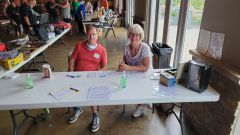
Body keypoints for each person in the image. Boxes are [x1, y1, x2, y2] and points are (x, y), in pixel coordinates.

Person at [68, 25, 107, 132]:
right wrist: (71, 73)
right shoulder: (79, 45)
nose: (91, 36)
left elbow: (104, 67)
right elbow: (72, 58)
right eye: (89, 34)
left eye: (94, 34)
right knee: (71, 90)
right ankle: (77, 109)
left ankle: (95, 115)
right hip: (77, 75)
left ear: (97, 36)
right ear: (86, 35)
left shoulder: (102, 50)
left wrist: (96, 74)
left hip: (92, 77)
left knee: (92, 91)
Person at [118, 24, 152, 118]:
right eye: (132, 34)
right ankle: (144, 100)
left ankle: (141, 105)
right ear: (129, 35)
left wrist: (128, 67)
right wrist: (122, 65)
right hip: (132, 72)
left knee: (139, 84)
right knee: (124, 85)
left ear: (141, 36)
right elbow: (124, 60)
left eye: (137, 35)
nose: (134, 37)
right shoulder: (126, 47)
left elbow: (145, 67)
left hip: (144, 73)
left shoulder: (145, 48)